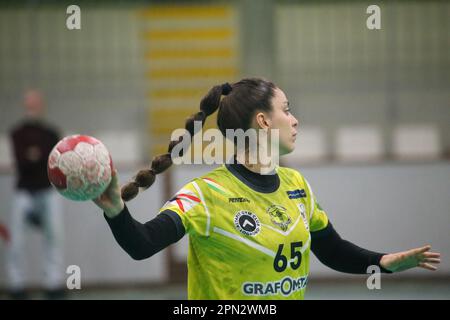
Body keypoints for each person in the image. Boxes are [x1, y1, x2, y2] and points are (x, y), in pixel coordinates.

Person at [94, 78, 440, 299]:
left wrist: (381, 262)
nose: (294, 119)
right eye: (286, 110)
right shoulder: (205, 193)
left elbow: (330, 249)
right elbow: (142, 245)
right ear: (262, 121)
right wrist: (115, 210)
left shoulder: (296, 184)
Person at [6, 89, 65, 300]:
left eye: (35, 102)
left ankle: (53, 283)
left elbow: (52, 161)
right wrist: (35, 156)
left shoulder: (51, 134)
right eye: (28, 102)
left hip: (48, 191)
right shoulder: (17, 133)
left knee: (54, 237)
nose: (32, 106)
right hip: (24, 191)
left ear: (41, 105)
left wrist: (34, 156)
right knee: (16, 240)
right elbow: (22, 161)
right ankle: (17, 284)